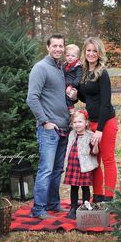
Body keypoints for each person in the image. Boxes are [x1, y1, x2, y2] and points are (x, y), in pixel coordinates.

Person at [26, 33, 70, 219]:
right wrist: (45, 121)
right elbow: (32, 98)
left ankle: (53, 203)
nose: (58, 49)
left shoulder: (60, 68)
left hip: (64, 128)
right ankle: (39, 209)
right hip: (49, 129)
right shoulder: (41, 68)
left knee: (57, 169)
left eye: (61, 46)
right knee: (46, 169)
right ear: (47, 47)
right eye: (55, 46)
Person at [78, 37, 118, 203]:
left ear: (99, 53)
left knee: (107, 159)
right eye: (89, 50)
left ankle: (108, 198)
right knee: (94, 161)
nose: (91, 53)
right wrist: (75, 95)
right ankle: (98, 196)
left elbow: (105, 103)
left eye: (95, 51)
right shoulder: (84, 71)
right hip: (91, 122)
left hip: (105, 122)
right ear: (84, 52)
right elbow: (86, 96)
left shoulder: (103, 73)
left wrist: (100, 130)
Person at [64, 110, 99, 219]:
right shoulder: (71, 134)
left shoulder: (90, 135)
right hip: (72, 165)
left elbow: (94, 153)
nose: (77, 124)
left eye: (80, 122)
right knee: (73, 187)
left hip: (84, 166)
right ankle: (73, 207)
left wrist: (95, 145)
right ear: (72, 124)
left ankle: (85, 206)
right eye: (75, 122)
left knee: (85, 187)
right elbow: (69, 149)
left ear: (86, 123)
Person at [63, 44, 82, 114]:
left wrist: (71, 86)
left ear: (77, 57)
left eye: (73, 56)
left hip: (72, 86)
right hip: (64, 85)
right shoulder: (64, 65)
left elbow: (78, 79)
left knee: (68, 97)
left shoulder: (78, 67)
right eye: (68, 55)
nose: (70, 57)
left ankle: (72, 113)